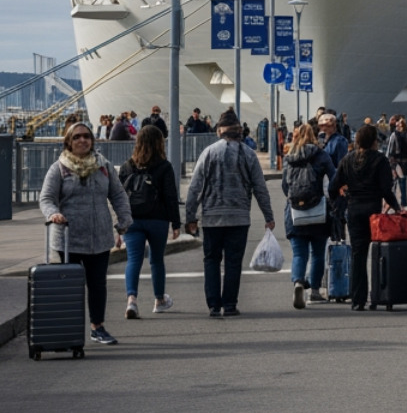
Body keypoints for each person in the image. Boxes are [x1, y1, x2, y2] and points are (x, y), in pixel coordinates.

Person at [40, 122, 133, 345]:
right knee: (70, 287)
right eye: (77, 137)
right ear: (68, 142)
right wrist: (53, 214)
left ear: (92, 140)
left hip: (99, 237)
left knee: (97, 284)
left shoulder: (104, 166)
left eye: (86, 136)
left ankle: (97, 327)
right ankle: (68, 330)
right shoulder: (59, 168)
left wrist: (124, 219)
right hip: (68, 238)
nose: (82, 140)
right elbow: (46, 198)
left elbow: (118, 194)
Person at [185, 110, 275, 318]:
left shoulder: (208, 153)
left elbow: (195, 187)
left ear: (220, 131)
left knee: (211, 260)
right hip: (239, 217)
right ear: (239, 132)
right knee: (233, 262)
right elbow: (260, 188)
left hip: (212, 217)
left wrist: (190, 217)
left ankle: (213, 305)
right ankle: (230, 304)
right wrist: (268, 216)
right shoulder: (248, 154)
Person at [329, 123, 402, 311]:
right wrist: (396, 207)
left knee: (358, 255)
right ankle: (378, 295)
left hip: (354, 210)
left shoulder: (347, 159)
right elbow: (386, 189)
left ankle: (357, 299)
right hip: (374, 212)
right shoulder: (380, 160)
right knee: (378, 253)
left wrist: (340, 199)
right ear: (373, 141)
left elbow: (332, 187)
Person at [118, 125, 182, 318]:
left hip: (132, 220)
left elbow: (119, 197)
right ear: (159, 143)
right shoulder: (164, 166)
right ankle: (159, 300)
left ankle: (131, 300)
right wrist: (176, 223)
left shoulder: (127, 166)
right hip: (158, 219)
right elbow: (171, 197)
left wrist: (120, 225)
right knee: (156, 260)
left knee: (133, 260)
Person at [282, 122, 336, 309]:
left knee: (299, 253)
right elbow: (334, 179)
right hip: (318, 210)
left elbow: (285, 186)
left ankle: (298, 281)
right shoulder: (321, 155)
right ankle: (314, 291)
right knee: (318, 253)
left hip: (295, 212)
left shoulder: (289, 156)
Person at [386, 116, 407, 204]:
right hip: (401, 162)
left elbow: (390, 150)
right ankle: (401, 202)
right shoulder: (406, 135)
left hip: (400, 161)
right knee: (400, 181)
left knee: (398, 181)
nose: (398, 126)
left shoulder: (398, 135)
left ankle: (398, 202)